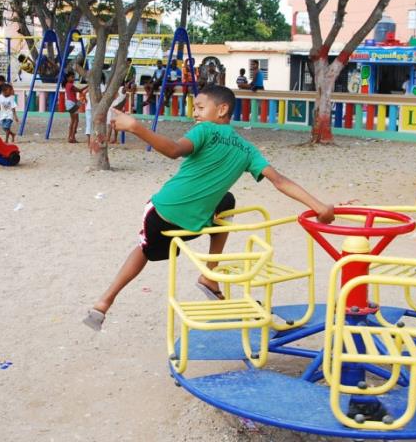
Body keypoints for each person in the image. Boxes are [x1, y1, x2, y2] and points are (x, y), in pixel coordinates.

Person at [82, 84, 336, 331]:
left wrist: (137, 127)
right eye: (195, 108)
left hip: (163, 214)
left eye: (201, 107)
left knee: (145, 250)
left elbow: (173, 151)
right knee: (226, 202)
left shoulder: (204, 131)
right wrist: (319, 206)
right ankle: (209, 275)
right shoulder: (247, 149)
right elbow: (279, 181)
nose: (196, 113)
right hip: (192, 222)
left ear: (222, 110)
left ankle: (106, 300)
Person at [64, 71, 86, 143]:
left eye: (73, 77)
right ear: (68, 78)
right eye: (72, 77)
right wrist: (88, 85)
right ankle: (72, 137)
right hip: (72, 103)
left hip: (71, 103)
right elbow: (80, 90)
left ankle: (70, 137)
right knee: (75, 121)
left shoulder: (67, 85)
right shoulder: (70, 85)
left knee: (73, 121)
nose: (73, 79)